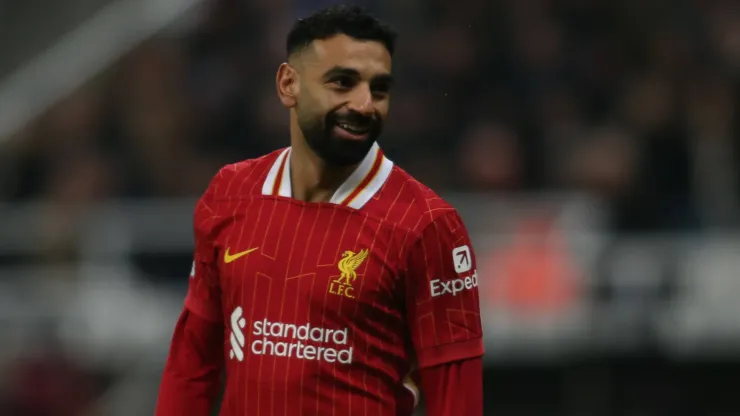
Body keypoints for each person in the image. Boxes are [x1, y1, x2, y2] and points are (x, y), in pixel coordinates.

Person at [155, 5, 483, 415]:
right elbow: (192, 362)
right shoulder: (231, 193)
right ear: (288, 84)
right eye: (342, 83)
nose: (365, 105)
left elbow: (458, 398)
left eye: (378, 89)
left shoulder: (427, 225)